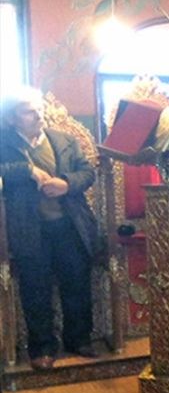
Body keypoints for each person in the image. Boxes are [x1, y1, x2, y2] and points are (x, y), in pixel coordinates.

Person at [0, 87, 99, 370]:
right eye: (28, 111)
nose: (38, 115)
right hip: (28, 226)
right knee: (36, 287)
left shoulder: (64, 139)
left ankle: (78, 339)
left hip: (70, 224)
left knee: (76, 281)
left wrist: (66, 183)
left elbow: (87, 172)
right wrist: (28, 170)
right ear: (12, 118)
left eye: (39, 109)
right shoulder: (3, 142)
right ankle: (42, 348)